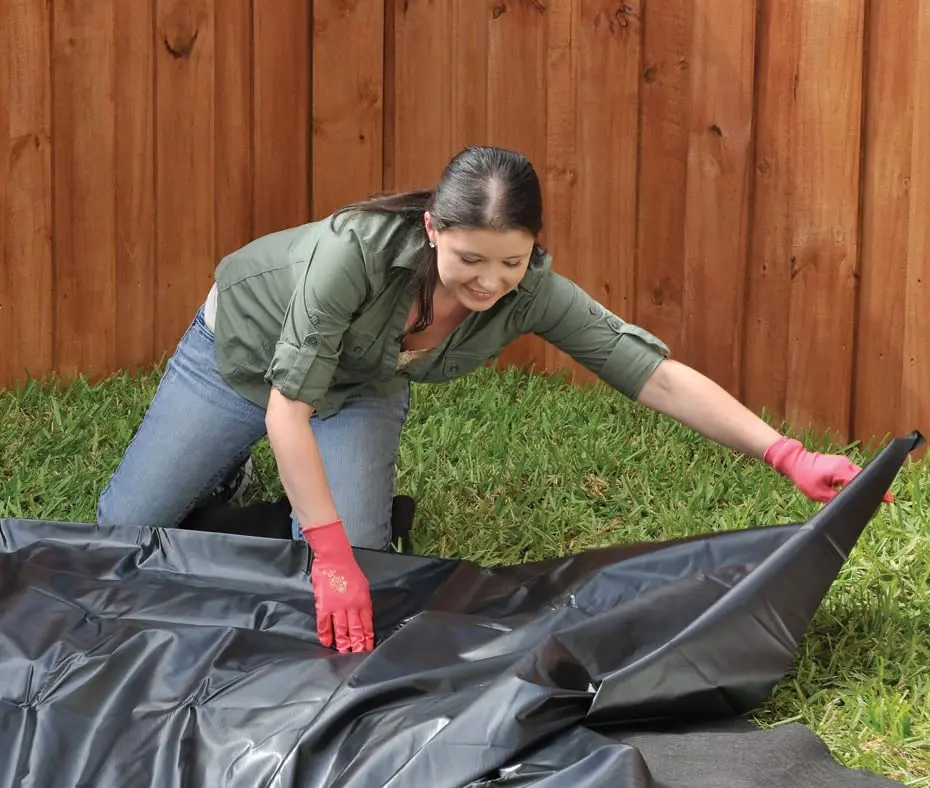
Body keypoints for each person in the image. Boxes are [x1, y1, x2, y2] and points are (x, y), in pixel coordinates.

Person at [97, 145, 883, 655]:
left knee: (369, 563)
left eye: (511, 263)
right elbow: (285, 409)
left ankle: (295, 509)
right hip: (237, 363)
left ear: (533, 248)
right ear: (434, 229)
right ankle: (222, 475)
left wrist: (785, 452)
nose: (489, 283)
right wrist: (325, 560)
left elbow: (653, 373)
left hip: (360, 388)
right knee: (117, 535)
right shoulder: (350, 256)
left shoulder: (527, 290)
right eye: (471, 258)